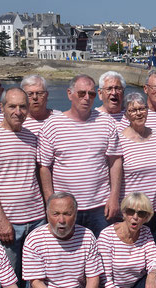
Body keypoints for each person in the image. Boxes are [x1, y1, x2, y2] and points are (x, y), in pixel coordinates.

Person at [38, 74, 122, 238]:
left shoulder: (107, 123)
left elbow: (115, 161)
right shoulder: (52, 126)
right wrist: (51, 204)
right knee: (67, 254)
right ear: (70, 94)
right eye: (81, 93)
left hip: (100, 206)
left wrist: (114, 198)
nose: (86, 98)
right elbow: (45, 168)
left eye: (91, 94)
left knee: (101, 253)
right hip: (65, 208)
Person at [0, 87, 45, 283]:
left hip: (37, 218)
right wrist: (1, 219)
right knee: (8, 277)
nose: (18, 111)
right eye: (12, 106)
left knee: (36, 274)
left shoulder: (32, 137)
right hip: (7, 221)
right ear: (2, 108)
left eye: (23, 107)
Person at [118, 92, 156, 250]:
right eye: (133, 110)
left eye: (142, 108)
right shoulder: (119, 140)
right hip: (133, 211)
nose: (139, 113)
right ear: (126, 115)